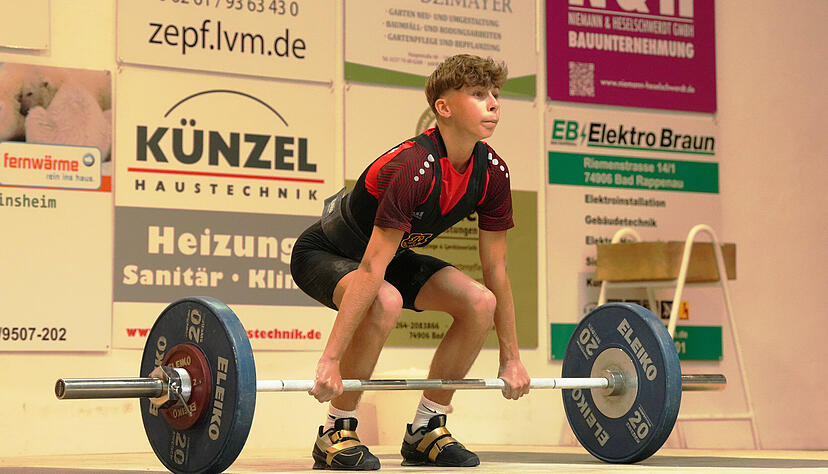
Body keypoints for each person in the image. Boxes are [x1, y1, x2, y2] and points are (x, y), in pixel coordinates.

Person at [290, 54, 531, 470]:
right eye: (478, 94)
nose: (493, 103)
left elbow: (497, 271)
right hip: (326, 252)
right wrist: (329, 361)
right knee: (383, 300)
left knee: (479, 302)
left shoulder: (492, 173)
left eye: (495, 95)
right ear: (444, 107)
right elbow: (369, 271)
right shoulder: (412, 168)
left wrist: (511, 357)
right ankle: (335, 430)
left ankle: (426, 429)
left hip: (387, 256)